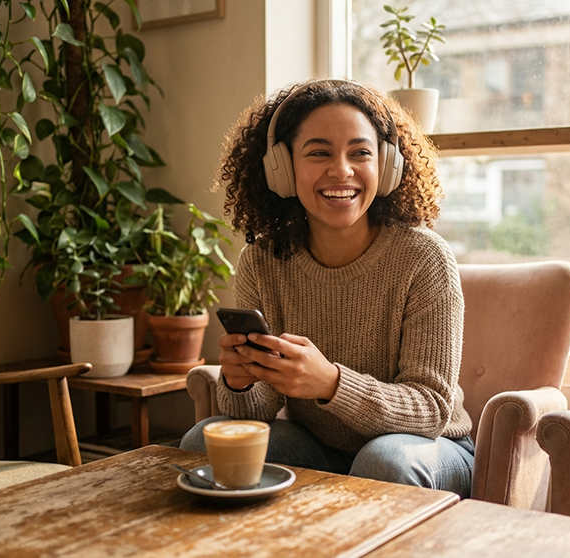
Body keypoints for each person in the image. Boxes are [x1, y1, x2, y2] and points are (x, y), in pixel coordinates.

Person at [179, 78, 473, 497]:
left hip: (430, 449)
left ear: (387, 165)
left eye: (360, 153)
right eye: (319, 153)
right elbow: (257, 412)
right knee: (204, 441)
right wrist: (241, 381)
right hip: (321, 448)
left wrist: (331, 384)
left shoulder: (424, 259)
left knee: (382, 460)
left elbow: (431, 411)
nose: (341, 170)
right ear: (280, 168)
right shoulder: (263, 261)